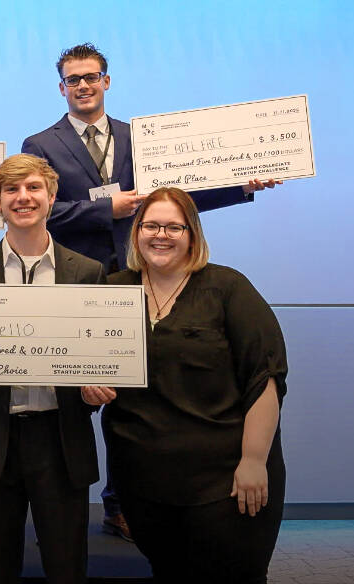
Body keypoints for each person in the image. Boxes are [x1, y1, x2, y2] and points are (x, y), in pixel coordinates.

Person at [21, 42, 278, 539]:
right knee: (82, 393)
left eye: (91, 76)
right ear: (62, 88)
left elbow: (183, 194)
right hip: (78, 283)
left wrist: (241, 186)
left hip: (144, 280)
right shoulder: (41, 144)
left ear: (106, 81)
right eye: (73, 79)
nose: (83, 86)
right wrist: (107, 210)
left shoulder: (144, 138)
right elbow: (39, 211)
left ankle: (123, 502)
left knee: (136, 397)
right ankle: (67, 502)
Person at [100, 187, 288, 583]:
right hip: (143, 481)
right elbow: (88, 370)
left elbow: (264, 377)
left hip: (225, 481)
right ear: (136, 232)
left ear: (192, 234)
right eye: (151, 225)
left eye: (173, 227)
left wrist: (254, 461)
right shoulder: (112, 290)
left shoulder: (227, 288)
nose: (161, 235)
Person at [0, 153, 114, 584]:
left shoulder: (88, 273)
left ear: (52, 196)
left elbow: (98, 359)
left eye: (33, 188)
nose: (23, 197)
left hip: (61, 441)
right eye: (11, 190)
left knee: (66, 568)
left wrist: (95, 391)